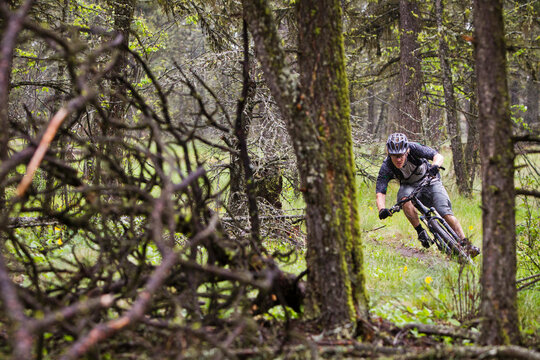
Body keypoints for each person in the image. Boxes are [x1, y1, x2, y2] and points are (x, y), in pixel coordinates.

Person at [375, 133, 480, 257]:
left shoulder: (414, 148)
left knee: (444, 212)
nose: (398, 159)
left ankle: (466, 244)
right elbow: (381, 191)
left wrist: (435, 166)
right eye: (394, 156)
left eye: (400, 155)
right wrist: (382, 209)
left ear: (407, 151)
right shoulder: (387, 166)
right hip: (409, 186)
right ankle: (420, 232)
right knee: (403, 199)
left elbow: (437, 156)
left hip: (430, 179)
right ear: (389, 154)